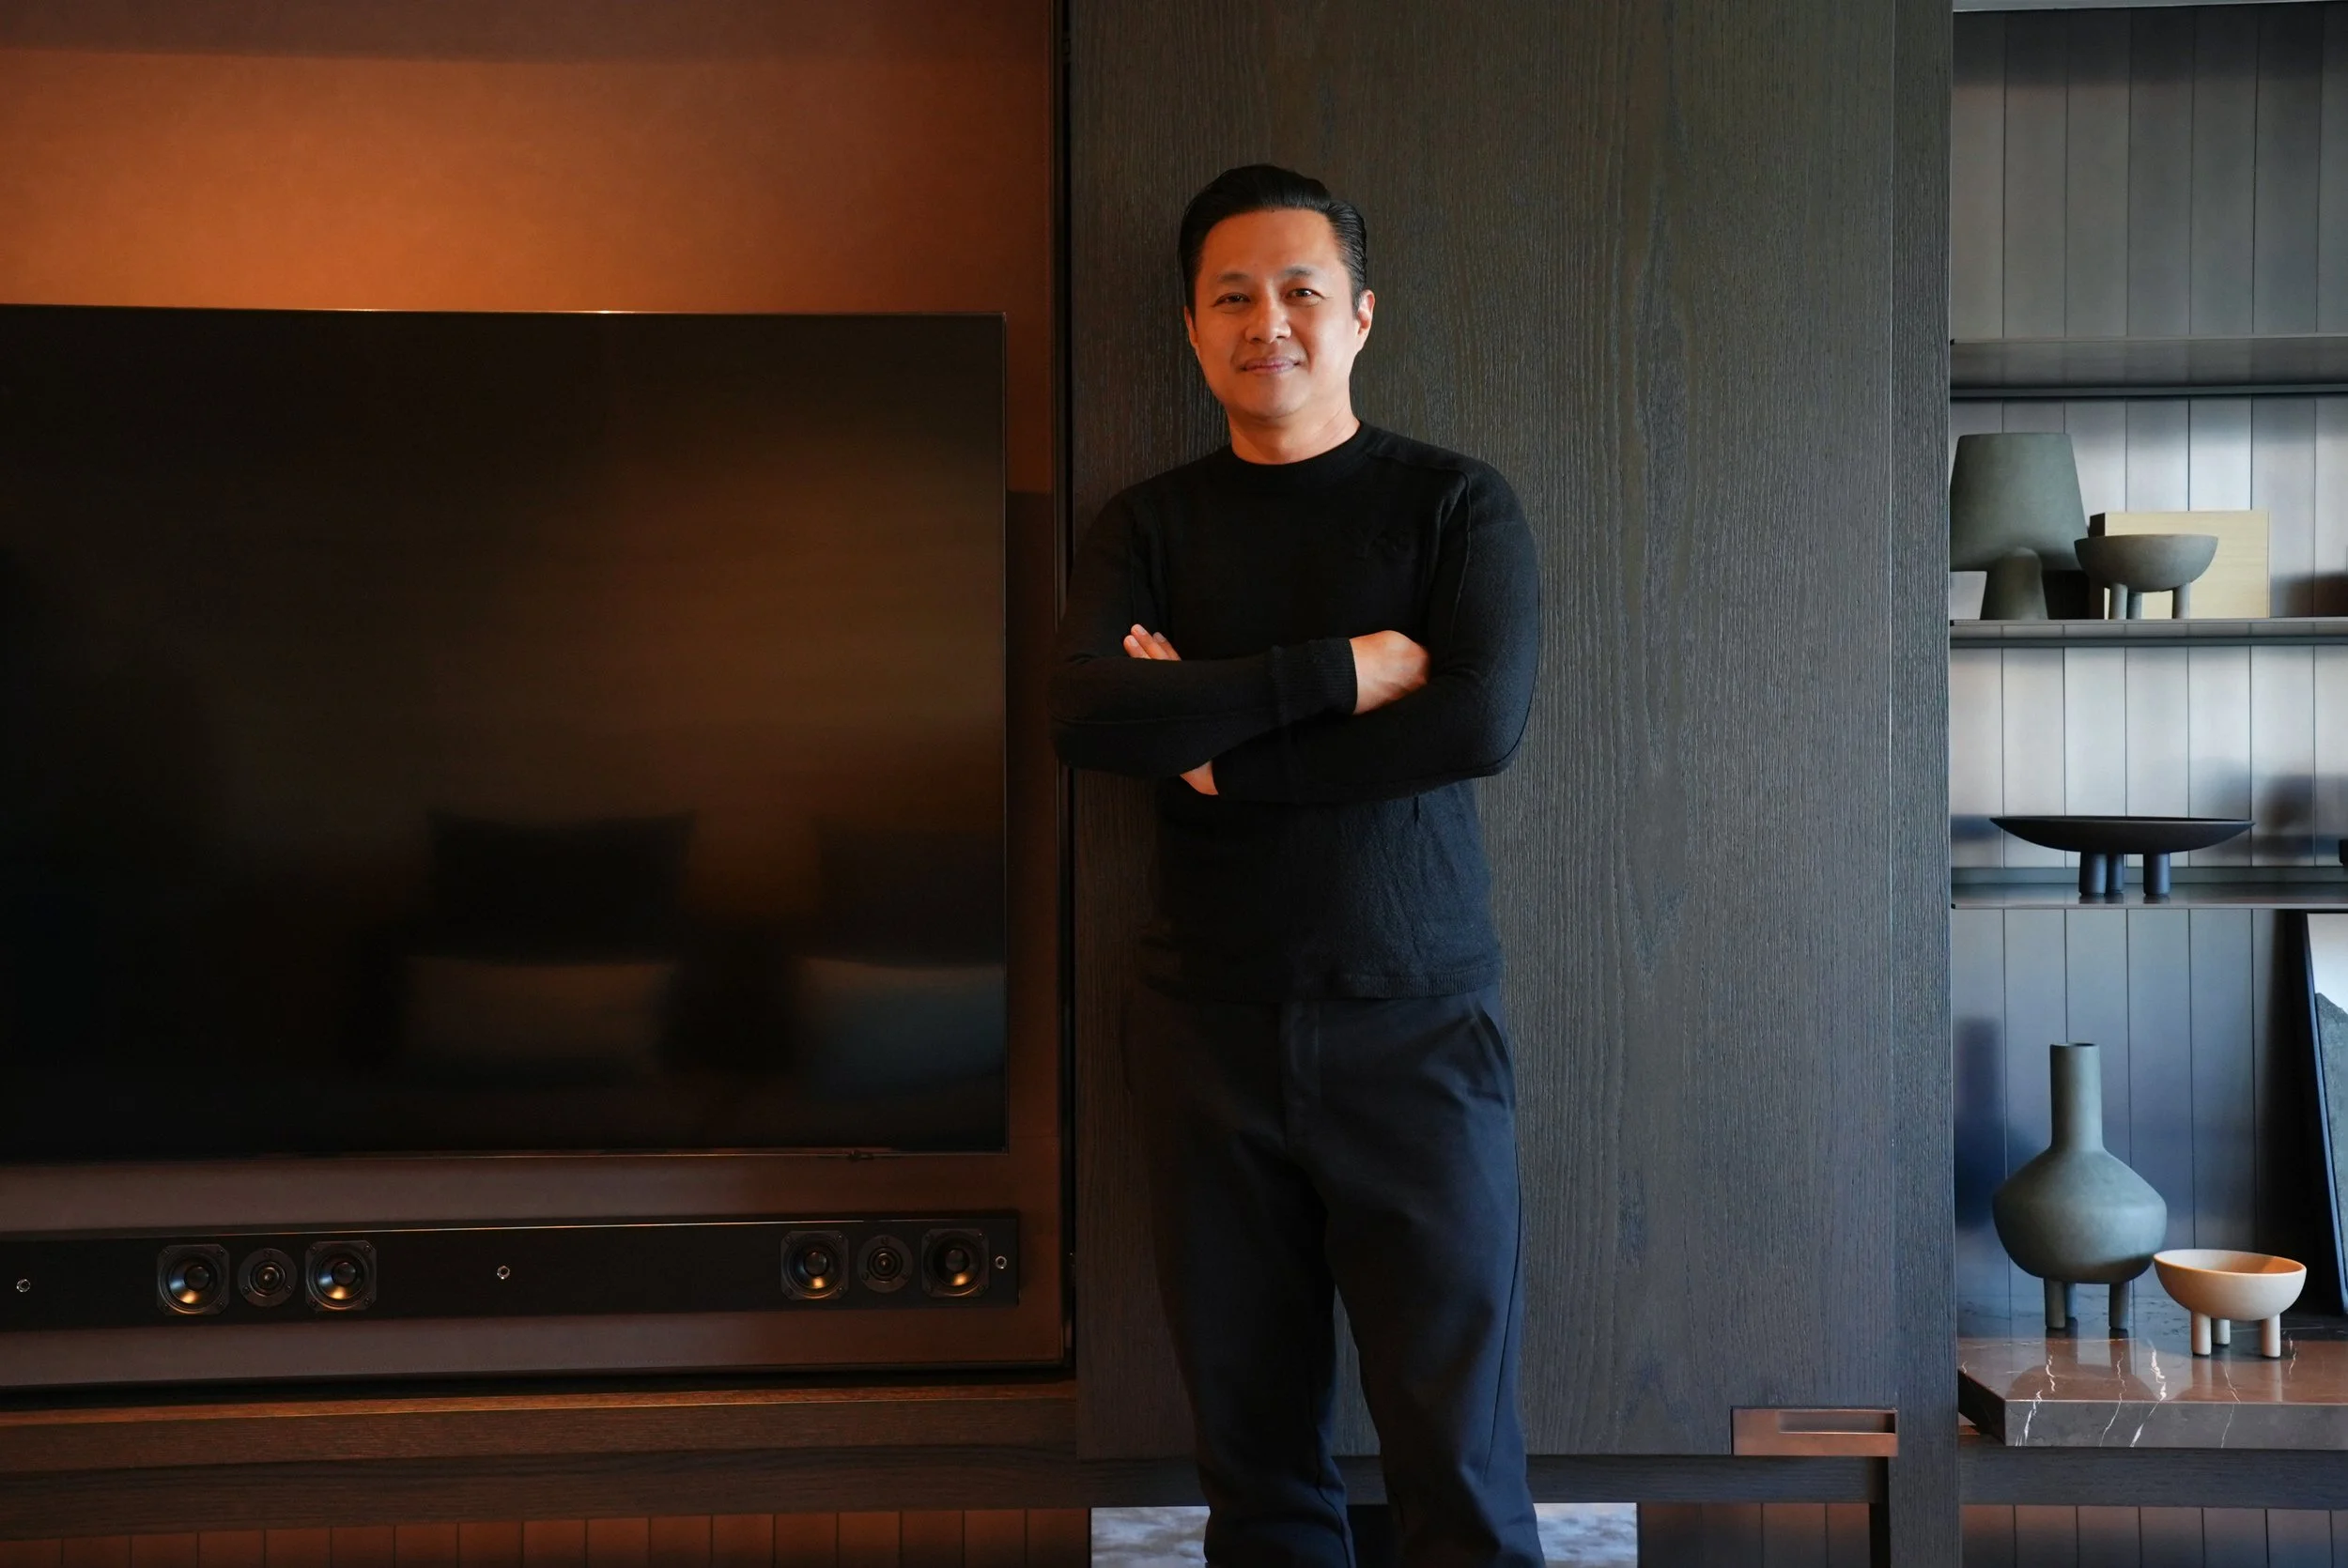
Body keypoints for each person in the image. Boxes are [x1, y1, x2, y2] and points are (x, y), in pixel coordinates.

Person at [1048, 164, 1544, 1568]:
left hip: (1418, 1030)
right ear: (1194, 330)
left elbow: (1476, 723)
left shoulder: (1457, 507)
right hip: (1206, 1034)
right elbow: (1083, 711)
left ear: (1361, 314)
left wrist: (1211, 737)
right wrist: (1341, 668)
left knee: (1455, 1450)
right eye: (1233, 295)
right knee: (1257, 1463)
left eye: (1301, 289)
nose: (1269, 319)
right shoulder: (1145, 525)